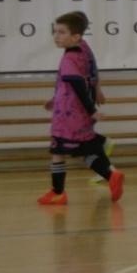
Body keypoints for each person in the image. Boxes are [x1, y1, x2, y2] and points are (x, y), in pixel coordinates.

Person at [40, 11, 124, 205]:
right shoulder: (84, 48)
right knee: (83, 150)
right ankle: (110, 174)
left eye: (61, 32)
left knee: (58, 150)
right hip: (76, 112)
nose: (56, 36)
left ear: (75, 36)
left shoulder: (69, 59)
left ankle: (58, 192)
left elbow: (76, 84)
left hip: (68, 114)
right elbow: (91, 70)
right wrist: (96, 90)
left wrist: (91, 109)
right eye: (55, 32)